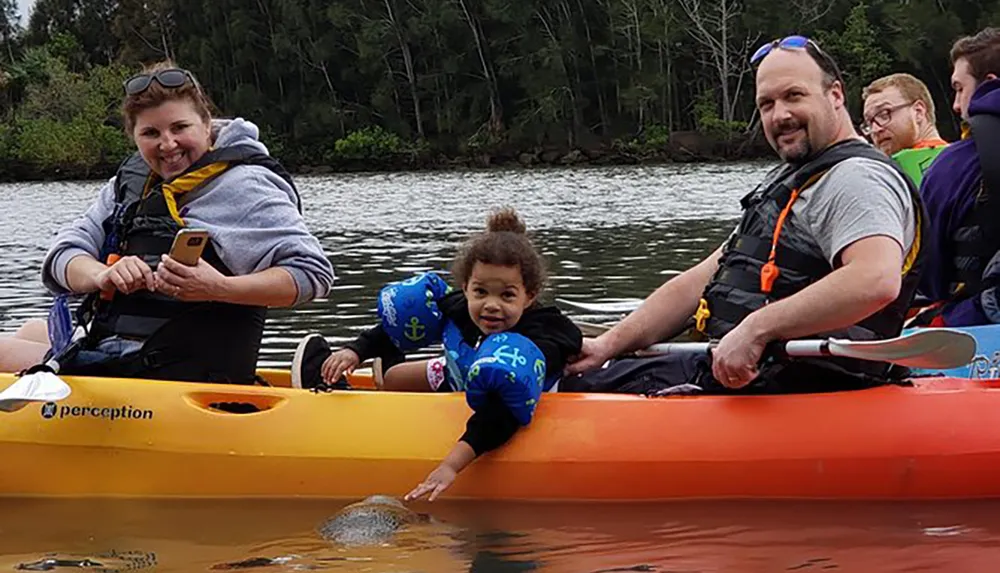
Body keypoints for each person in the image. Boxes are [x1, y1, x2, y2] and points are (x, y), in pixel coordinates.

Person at [564, 35, 925, 394]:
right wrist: (607, 344)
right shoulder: (796, 178)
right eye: (766, 104)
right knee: (586, 373)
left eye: (794, 96)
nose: (780, 115)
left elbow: (875, 279)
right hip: (748, 374)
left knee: (567, 391)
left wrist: (757, 328)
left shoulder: (856, 178)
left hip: (802, 386)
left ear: (835, 95)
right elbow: (697, 282)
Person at [0, 61, 334, 383]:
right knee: (30, 328)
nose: (167, 144)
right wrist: (102, 274)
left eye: (179, 128)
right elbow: (62, 255)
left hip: (180, 369)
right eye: (150, 133)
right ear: (133, 136)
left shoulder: (245, 185)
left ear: (206, 124)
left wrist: (219, 288)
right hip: (119, 352)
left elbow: (312, 274)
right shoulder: (131, 183)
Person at [291, 208, 582, 500]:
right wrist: (355, 350)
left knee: (447, 380)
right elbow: (401, 327)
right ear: (466, 287)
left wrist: (451, 465)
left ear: (529, 296)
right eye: (480, 292)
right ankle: (340, 380)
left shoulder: (543, 336)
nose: (491, 305)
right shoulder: (457, 305)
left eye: (507, 295)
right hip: (458, 373)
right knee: (393, 379)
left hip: (513, 395)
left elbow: (501, 415)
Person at [910, 27, 1000, 327]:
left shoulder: (954, 165)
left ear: (989, 85)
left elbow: (929, 275)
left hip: (979, 326)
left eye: (959, 88)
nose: (956, 105)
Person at [861, 73, 948, 187]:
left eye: (884, 114)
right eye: (869, 122)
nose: (876, 129)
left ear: (918, 112)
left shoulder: (953, 163)